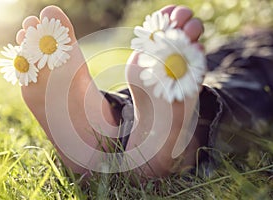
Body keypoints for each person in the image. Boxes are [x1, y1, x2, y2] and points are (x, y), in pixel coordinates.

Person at [15, 5, 273, 178]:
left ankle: (171, 135)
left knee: (249, 74)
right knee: (195, 64)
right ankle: (112, 125)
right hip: (239, 42)